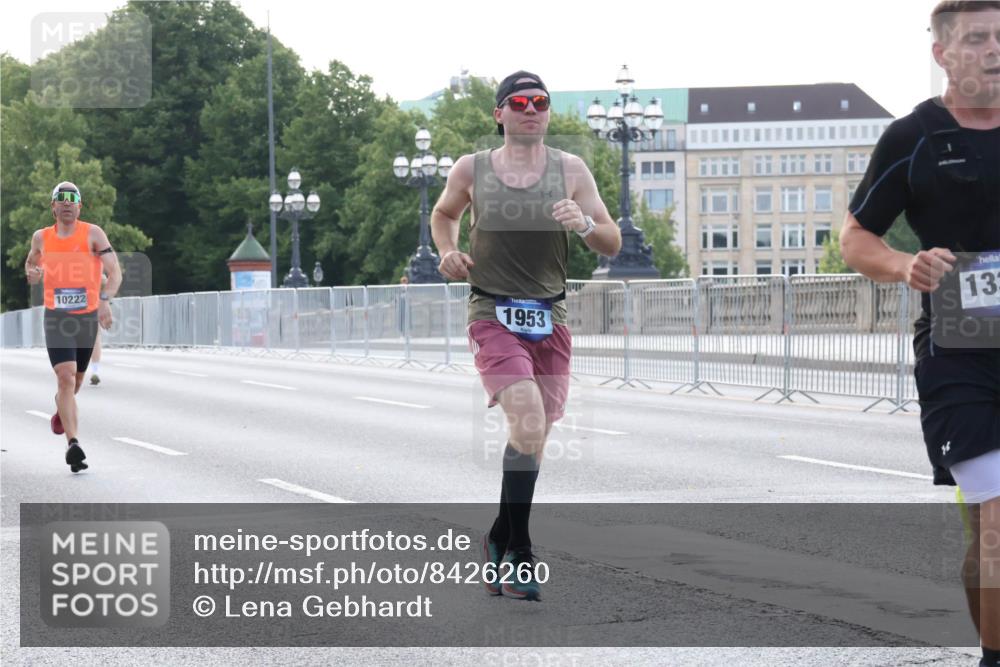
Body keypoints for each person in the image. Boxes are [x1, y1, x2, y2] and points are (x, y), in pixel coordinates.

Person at [840, 3, 1000, 664]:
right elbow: (854, 238)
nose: (995, 50)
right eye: (978, 38)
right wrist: (907, 264)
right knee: (995, 518)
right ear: (943, 54)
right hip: (959, 352)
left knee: (985, 531)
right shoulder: (915, 136)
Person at [431, 71, 621, 600]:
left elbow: (611, 241)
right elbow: (444, 213)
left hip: (550, 317)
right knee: (528, 416)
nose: (531, 109)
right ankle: (520, 552)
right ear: (500, 113)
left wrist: (582, 222)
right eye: (519, 102)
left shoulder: (571, 169)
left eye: (541, 102)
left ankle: (497, 536)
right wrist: (448, 250)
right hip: (491, 310)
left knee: (532, 436)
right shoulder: (474, 168)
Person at [24, 181, 122, 473]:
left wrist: (104, 300)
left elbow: (114, 271)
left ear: (80, 206)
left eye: (73, 198)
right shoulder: (41, 238)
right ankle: (73, 444)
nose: (67, 203)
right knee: (65, 378)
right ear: (53, 206)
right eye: (61, 198)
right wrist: (33, 273)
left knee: (76, 383)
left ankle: (61, 406)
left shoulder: (92, 234)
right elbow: (31, 263)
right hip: (56, 317)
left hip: (86, 317)